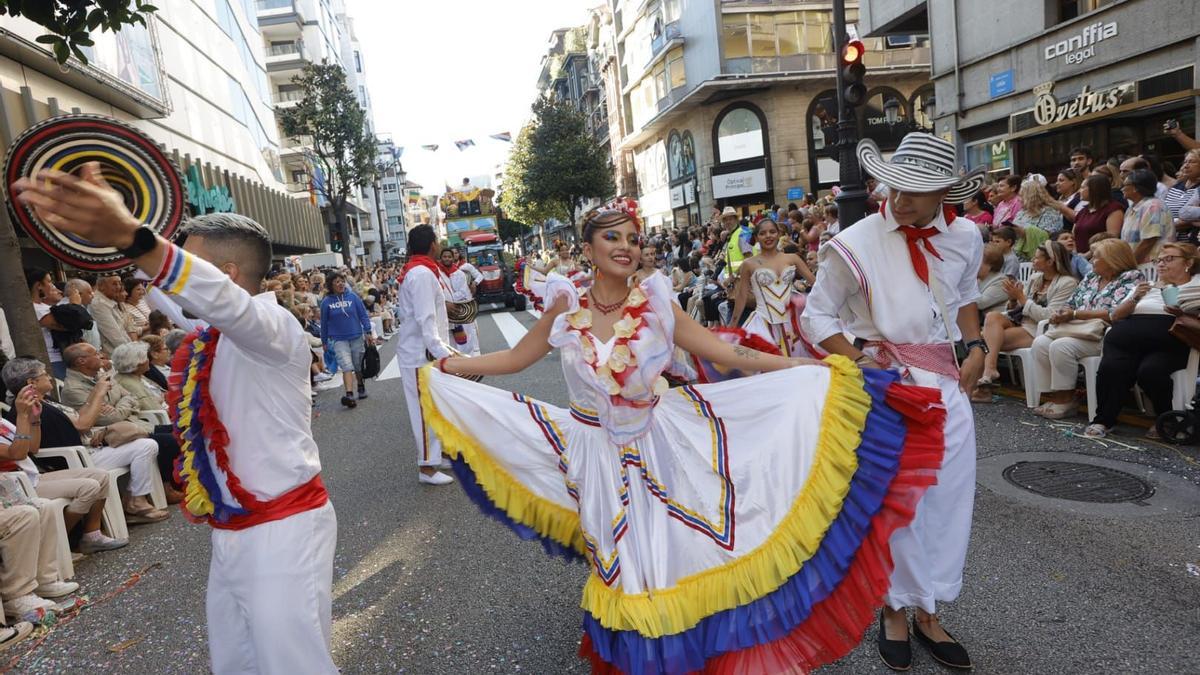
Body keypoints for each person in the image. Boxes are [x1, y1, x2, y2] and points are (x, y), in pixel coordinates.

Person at [426, 202, 946, 674]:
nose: (627, 246)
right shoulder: (565, 305)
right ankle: (637, 658)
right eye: (613, 238)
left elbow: (725, 353)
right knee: (618, 564)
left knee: (663, 554)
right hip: (593, 455)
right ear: (587, 249)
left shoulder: (656, 301)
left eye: (633, 237)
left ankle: (668, 657)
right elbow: (517, 359)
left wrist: (801, 365)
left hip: (660, 444)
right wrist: (453, 365)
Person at [13, 166, 339, 674]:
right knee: (238, 663)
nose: (169, 273)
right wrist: (114, 237)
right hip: (233, 529)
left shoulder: (271, 325)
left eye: (193, 263)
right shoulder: (214, 334)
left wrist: (131, 235)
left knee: (293, 666)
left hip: (283, 530)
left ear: (226, 276)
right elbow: (162, 292)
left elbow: (208, 294)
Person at [801, 133, 986, 671]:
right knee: (897, 504)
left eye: (916, 190)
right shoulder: (854, 241)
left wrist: (976, 348)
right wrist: (861, 362)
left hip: (948, 384)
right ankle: (894, 611)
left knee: (947, 502)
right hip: (887, 389)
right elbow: (817, 317)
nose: (900, 199)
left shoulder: (967, 236)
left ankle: (930, 611)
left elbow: (967, 296)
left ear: (945, 193)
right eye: (896, 185)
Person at [2, 359, 127, 555]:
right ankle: (58, 543)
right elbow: (17, 453)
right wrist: (23, 417)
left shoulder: (31, 408)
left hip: (29, 476)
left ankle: (91, 536)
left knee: (100, 476)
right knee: (89, 486)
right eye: (45, 373)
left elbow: (31, 448)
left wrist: (34, 420)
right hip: (18, 484)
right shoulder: (17, 413)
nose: (50, 376)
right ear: (30, 384)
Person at [1085, 243, 1200, 438]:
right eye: (1158, 260)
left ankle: (1165, 420)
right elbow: (1116, 316)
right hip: (1126, 340)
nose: (1161, 264)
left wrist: (1181, 312)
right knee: (1111, 369)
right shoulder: (1146, 287)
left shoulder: (1196, 286)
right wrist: (1135, 298)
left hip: (1169, 341)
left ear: (1188, 263)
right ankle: (1103, 420)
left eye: (1169, 259)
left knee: (1150, 372)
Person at [1030, 239, 1143, 419]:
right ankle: (1054, 396)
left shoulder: (1131, 278)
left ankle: (1066, 399)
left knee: (1061, 346)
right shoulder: (1092, 277)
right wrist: (1062, 312)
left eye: (1096, 257)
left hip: (1104, 334)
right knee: (1040, 343)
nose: (1091, 262)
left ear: (1112, 259)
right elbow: (1071, 302)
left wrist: (1075, 315)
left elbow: (1115, 312)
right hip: (1076, 329)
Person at [974, 240, 1080, 402]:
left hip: (1042, 329)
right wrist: (1013, 300)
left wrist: (1021, 298)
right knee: (992, 317)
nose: (1032, 260)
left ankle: (984, 385)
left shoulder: (1068, 283)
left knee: (984, 340)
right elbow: (1019, 309)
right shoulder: (1036, 278)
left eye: (1037, 258)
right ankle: (989, 372)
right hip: (1023, 322)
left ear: (1050, 262)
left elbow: (1049, 316)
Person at [394, 225, 456, 486]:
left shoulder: (423, 271)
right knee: (423, 411)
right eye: (437, 240)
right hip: (420, 353)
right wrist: (446, 353)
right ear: (432, 244)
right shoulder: (421, 274)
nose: (440, 244)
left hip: (425, 351)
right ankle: (426, 468)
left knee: (435, 407)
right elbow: (425, 320)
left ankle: (436, 454)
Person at [730, 218, 815, 355]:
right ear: (756, 237)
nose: (768, 236)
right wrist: (732, 327)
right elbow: (741, 296)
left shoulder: (792, 258)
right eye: (763, 233)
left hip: (793, 324)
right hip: (763, 324)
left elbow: (816, 284)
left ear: (779, 234)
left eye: (772, 232)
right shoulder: (749, 264)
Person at [319, 272, 376, 408]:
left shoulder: (353, 297)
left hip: (356, 336)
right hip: (339, 339)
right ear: (331, 285)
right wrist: (324, 341)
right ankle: (349, 394)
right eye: (337, 282)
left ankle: (361, 386)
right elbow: (324, 323)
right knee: (346, 366)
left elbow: (363, 314)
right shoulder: (326, 302)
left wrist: (368, 331)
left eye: (342, 281)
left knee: (357, 365)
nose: (341, 284)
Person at [1121, 168, 1172, 264]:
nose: (1121, 188)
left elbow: (1148, 241)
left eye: (1125, 185)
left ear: (1136, 187)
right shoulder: (1131, 209)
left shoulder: (1153, 206)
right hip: (1137, 265)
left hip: (1153, 266)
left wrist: (1130, 264)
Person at [441, 247, 481, 357]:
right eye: (445, 256)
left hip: (461, 308)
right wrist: (444, 303)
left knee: (466, 336)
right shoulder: (439, 273)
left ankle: (469, 359)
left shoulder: (461, 272)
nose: (447, 258)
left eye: (450, 256)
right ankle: (455, 361)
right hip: (446, 310)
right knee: (450, 338)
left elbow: (463, 291)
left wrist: (474, 283)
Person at [26, 269, 66, 379]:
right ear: (39, 285)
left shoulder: (44, 306)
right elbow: (64, 326)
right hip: (52, 359)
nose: (52, 285)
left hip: (62, 357)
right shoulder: (33, 308)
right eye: (49, 282)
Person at [1072, 174, 1125, 254]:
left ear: (1094, 189)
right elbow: (1073, 235)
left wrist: (1087, 256)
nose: (1079, 191)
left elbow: (1112, 238)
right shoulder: (1083, 211)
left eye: (1083, 187)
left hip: (1102, 257)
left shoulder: (1113, 209)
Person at [110, 341, 165, 412]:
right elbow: (156, 410)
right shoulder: (132, 385)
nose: (148, 360)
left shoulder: (129, 376)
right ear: (137, 364)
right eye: (146, 357)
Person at [1166, 149, 1200, 244]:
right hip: (1170, 241)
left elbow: (1191, 219)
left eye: (1192, 162)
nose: (1186, 165)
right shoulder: (1176, 186)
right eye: (1185, 162)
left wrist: (1165, 227)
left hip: (1190, 242)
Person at [90, 276, 132, 353]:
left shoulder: (109, 300)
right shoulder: (98, 304)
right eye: (114, 284)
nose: (119, 287)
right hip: (115, 355)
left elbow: (123, 330)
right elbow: (115, 337)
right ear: (101, 286)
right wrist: (132, 352)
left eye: (120, 283)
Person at [976, 244, 1009, 319]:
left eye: (978, 261)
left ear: (990, 266)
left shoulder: (1000, 282)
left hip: (995, 323)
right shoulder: (979, 279)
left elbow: (980, 304)